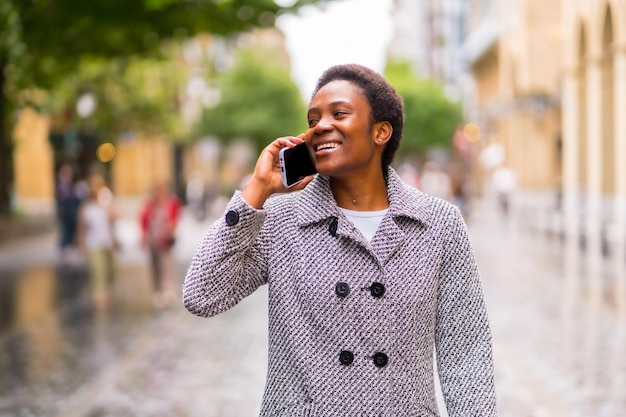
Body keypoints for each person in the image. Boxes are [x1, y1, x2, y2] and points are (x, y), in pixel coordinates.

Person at [183, 64, 497, 416]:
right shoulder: (284, 221)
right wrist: (255, 191)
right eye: (313, 119)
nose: (321, 127)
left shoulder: (438, 223)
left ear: (380, 132)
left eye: (339, 113)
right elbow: (202, 295)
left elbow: (466, 352)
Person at [77, 175, 117, 310]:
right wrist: (81, 246)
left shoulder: (105, 203)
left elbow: (114, 218)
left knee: (108, 269)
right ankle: (99, 295)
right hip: (93, 243)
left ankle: (108, 288)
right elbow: (82, 228)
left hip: (106, 242)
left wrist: (106, 206)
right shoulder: (86, 208)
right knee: (97, 270)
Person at [139, 181, 182, 309]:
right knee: (155, 266)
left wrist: (171, 229)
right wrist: (144, 235)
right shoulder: (149, 206)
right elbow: (143, 221)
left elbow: (175, 217)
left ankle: (167, 288)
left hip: (165, 240)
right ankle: (157, 290)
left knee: (167, 265)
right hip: (153, 240)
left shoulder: (169, 204)